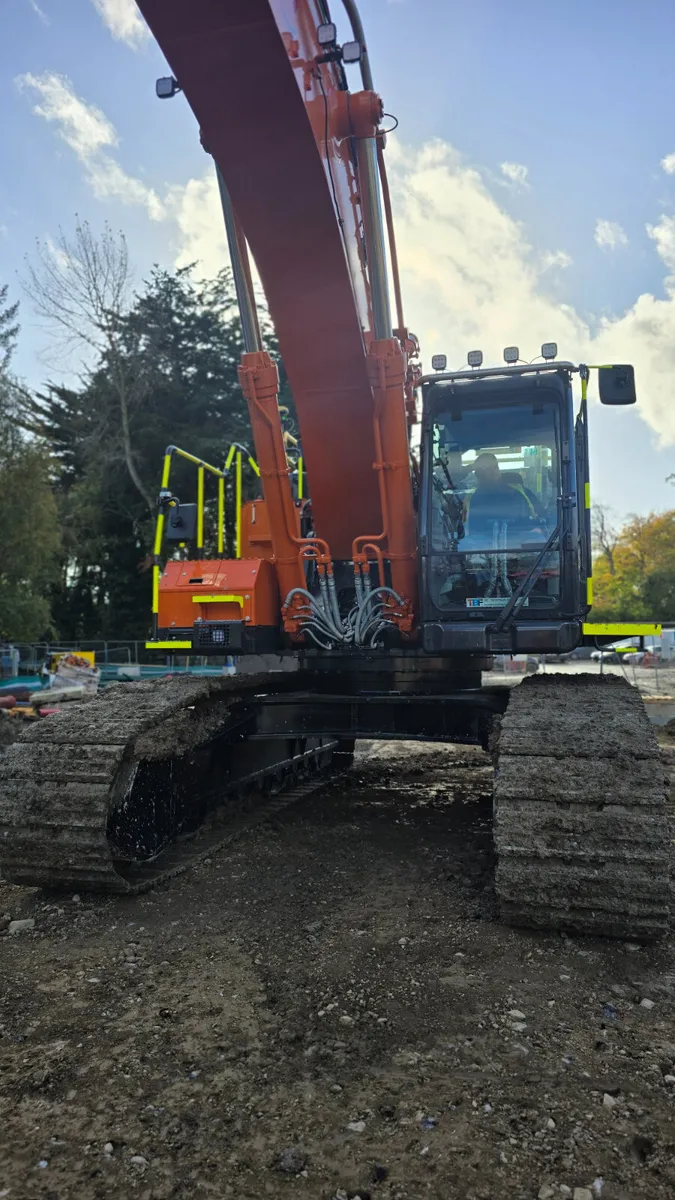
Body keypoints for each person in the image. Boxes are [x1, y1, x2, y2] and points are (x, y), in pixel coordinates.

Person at [464, 452, 535, 543]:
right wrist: (467, 469)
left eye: (493, 468)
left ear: (497, 469)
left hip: (520, 550)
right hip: (477, 551)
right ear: (477, 474)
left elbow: (540, 524)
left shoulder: (522, 493)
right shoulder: (469, 497)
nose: (492, 473)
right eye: (482, 470)